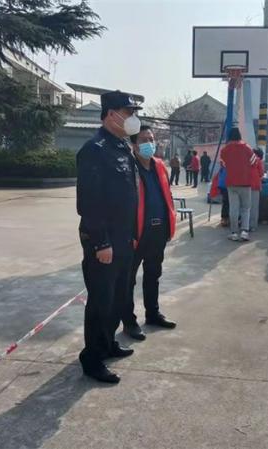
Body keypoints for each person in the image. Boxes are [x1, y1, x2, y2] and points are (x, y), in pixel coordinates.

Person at [76, 91, 142, 384]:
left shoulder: (122, 147)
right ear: (111, 114)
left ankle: (108, 343)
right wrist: (101, 242)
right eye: (128, 113)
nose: (132, 118)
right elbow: (89, 203)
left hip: (124, 237)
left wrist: (132, 235)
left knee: (118, 297)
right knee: (101, 301)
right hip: (104, 241)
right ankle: (92, 358)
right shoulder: (94, 149)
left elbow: (129, 196)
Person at [121, 126, 177, 341]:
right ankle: (129, 322)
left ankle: (153, 314)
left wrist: (170, 225)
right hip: (136, 233)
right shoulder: (128, 167)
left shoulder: (159, 165)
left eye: (151, 139)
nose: (149, 143)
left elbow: (167, 194)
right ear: (134, 145)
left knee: (153, 274)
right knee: (128, 280)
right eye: (144, 139)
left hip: (158, 231)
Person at [220, 127, 255, 242]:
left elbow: (223, 165)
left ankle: (234, 232)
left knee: (233, 208)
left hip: (231, 183)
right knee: (245, 208)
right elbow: (254, 162)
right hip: (246, 182)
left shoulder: (225, 150)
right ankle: (244, 231)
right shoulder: (247, 148)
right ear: (240, 135)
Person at [249, 148, 265, 231]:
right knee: (254, 206)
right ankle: (252, 226)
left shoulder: (245, 159)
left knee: (245, 207)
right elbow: (261, 173)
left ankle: (244, 225)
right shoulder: (258, 160)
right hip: (255, 185)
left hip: (244, 184)